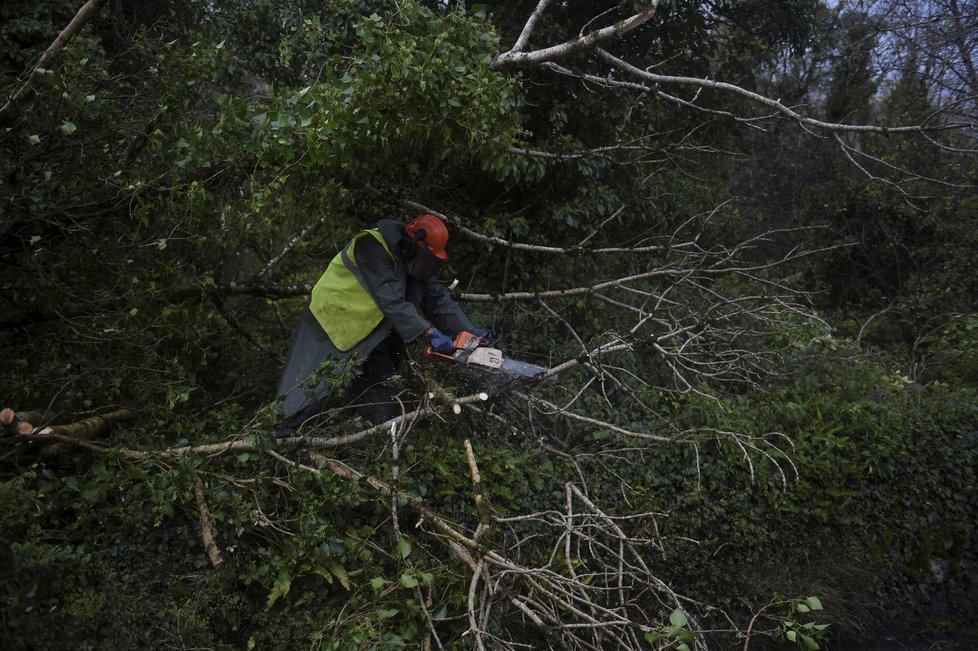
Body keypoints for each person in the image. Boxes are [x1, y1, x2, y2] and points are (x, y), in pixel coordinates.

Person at [275, 214, 493, 431]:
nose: (428, 267)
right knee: (305, 394)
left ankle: (377, 445)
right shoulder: (371, 246)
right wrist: (429, 331)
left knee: (384, 406)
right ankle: (277, 438)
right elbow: (391, 301)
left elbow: (439, 302)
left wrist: (472, 332)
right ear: (413, 245)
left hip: (371, 337)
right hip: (330, 325)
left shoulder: (414, 266)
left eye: (432, 262)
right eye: (427, 259)